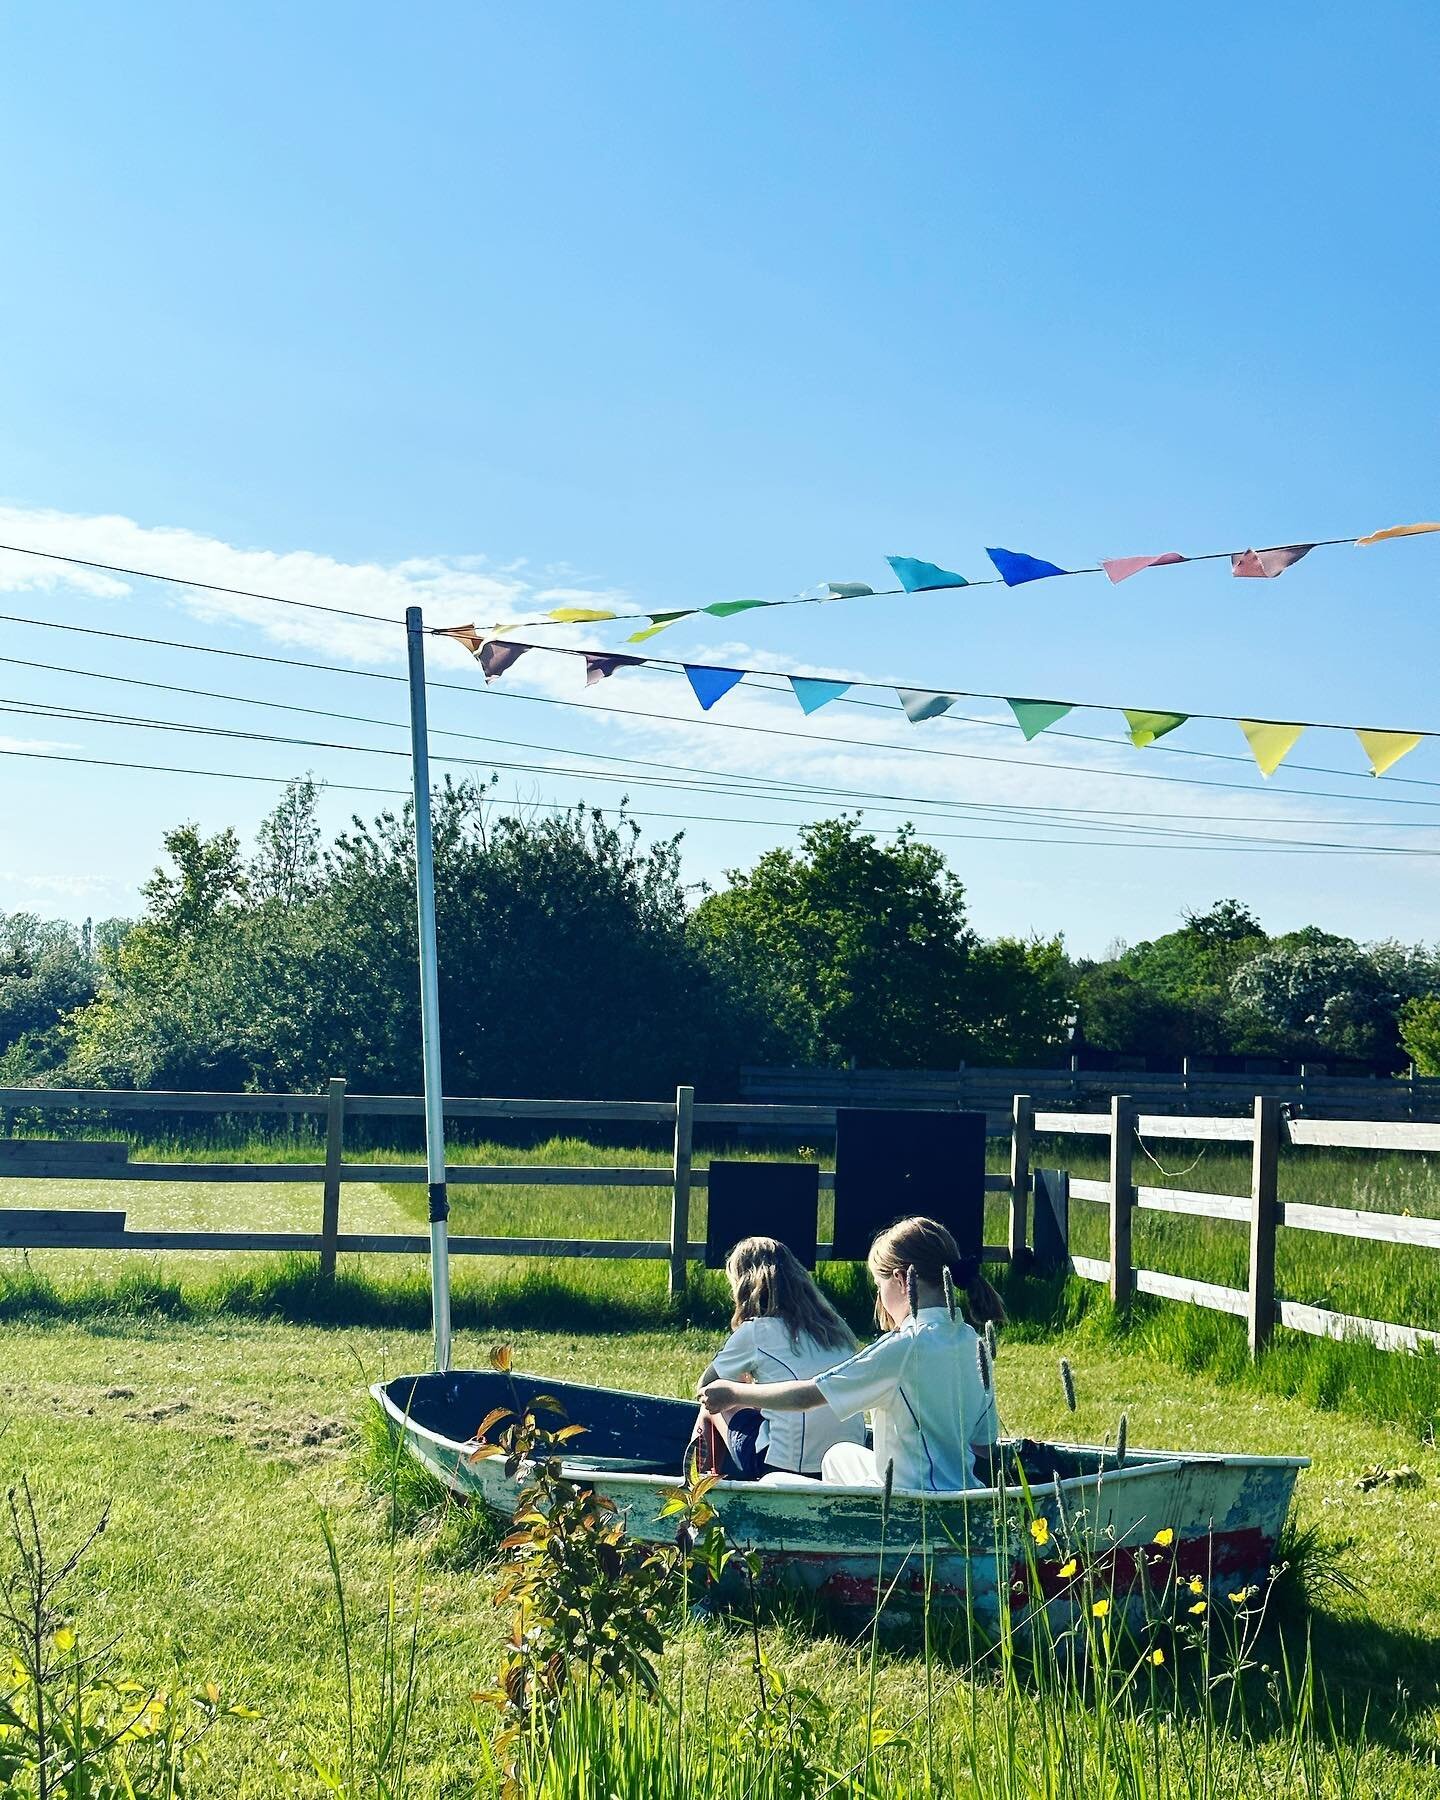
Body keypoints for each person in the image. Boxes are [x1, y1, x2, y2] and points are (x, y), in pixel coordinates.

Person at [699, 1216, 1003, 1492]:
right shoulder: (973, 1343)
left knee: (772, 1481)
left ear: (900, 1280)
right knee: (838, 1455)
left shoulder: (902, 1347)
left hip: (908, 1500)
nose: (879, 1297)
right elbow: (984, 1446)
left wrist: (734, 1392)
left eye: (878, 1284)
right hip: (962, 1495)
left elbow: (807, 1396)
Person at [693, 1235, 866, 1480]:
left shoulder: (756, 1332)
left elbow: (706, 1388)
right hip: (843, 1466)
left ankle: (695, 1496)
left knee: (710, 1406)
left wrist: (739, 1386)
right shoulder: (835, 1331)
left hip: (781, 1464)